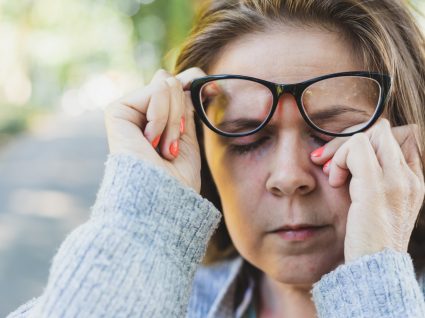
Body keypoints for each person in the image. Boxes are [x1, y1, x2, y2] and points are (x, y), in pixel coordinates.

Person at [7, 0, 425, 317]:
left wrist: (377, 281)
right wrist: (143, 224)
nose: (288, 176)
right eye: (246, 137)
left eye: (332, 130)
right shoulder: (157, 297)